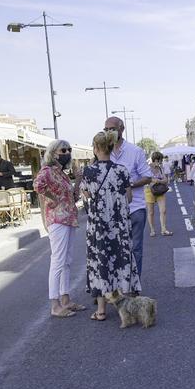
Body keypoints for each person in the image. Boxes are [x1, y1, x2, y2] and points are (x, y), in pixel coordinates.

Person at [81, 130, 141, 321]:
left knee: (100, 262)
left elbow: (87, 195)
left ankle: (101, 311)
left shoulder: (89, 171)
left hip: (98, 226)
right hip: (119, 224)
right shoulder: (122, 170)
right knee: (122, 259)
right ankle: (125, 304)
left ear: (96, 148)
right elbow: (129, 197)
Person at [33, 139, 84, 318]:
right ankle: (54, 304)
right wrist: (51, 197)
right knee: (58, 261)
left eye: (69, 150)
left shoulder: (61, 173)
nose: (67, 153)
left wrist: (77, 180)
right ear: (53, 153)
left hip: (69, 219)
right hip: (57, 220)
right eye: (63, 150)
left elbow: (74, 197)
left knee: (67, 260)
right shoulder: (47, 171)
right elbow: (37, 186)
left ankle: (65, 299)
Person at [104, 116, 152, 277]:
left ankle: (134, 287)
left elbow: (147, 177)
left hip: (135, 208)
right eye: (106, 129)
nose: (109, 132)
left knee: (135, 249)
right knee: (115, 250)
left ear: (121, 129)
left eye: (112, 129)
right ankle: (118, 286)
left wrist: (129, 185)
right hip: (112, 210)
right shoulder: (103, 153)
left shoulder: (135, 151)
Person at [145, 151, 172, 237]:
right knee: (151, 212)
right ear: (156, 160)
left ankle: (163, 229)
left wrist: (158, 181)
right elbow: (146, 179)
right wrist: (155, 180)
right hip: (149, 191)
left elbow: (165, 180)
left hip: (160, 190)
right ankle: (152, 230)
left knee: (163, 210)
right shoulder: (147, 168)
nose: (161, 162)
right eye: (160, 160)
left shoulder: (160, 168)